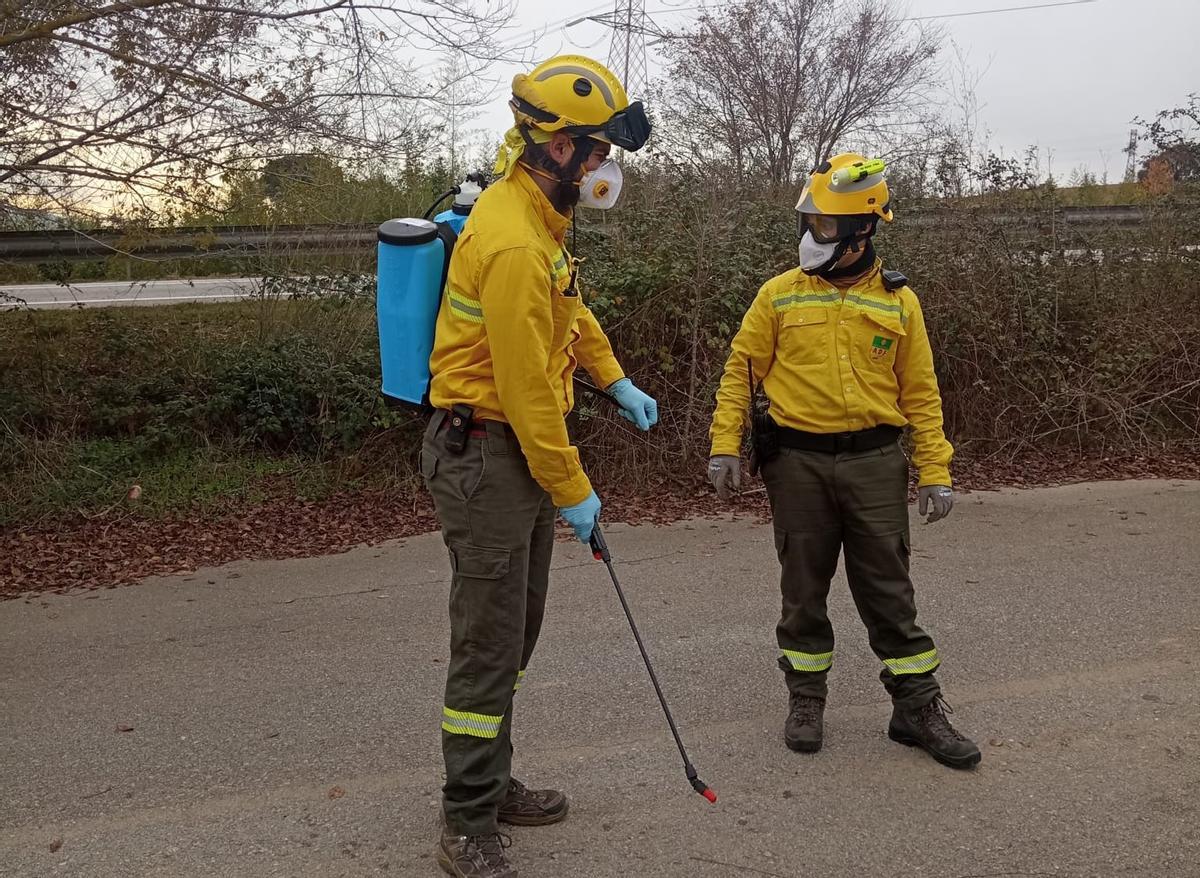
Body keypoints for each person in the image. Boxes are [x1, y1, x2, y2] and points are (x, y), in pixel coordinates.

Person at [421, 55, 657, 878]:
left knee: (514, 634)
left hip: (511, 454)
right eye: (598, 152)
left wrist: (614, 379)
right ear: (559, 148)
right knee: (488, 646)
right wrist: (576, 492)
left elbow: (570, 310)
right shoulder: (516, 241)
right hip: (487, 454)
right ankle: (467, 821)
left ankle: (487, 783)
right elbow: (525, 393)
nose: (604, 170)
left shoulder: (537, 216)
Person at [707, 153, 981, 771]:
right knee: (803, 588)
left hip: (875, 462)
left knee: (889, 590)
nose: (813, 235)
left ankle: (917, 708)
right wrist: (725, 443)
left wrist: (935, 470)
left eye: (826, 226)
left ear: (863, 231)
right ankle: (806, 698)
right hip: (796, 463)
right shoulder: (778, 295)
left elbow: (921, 393)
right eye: (810, 223)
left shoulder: (899, 303)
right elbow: (738, 373)